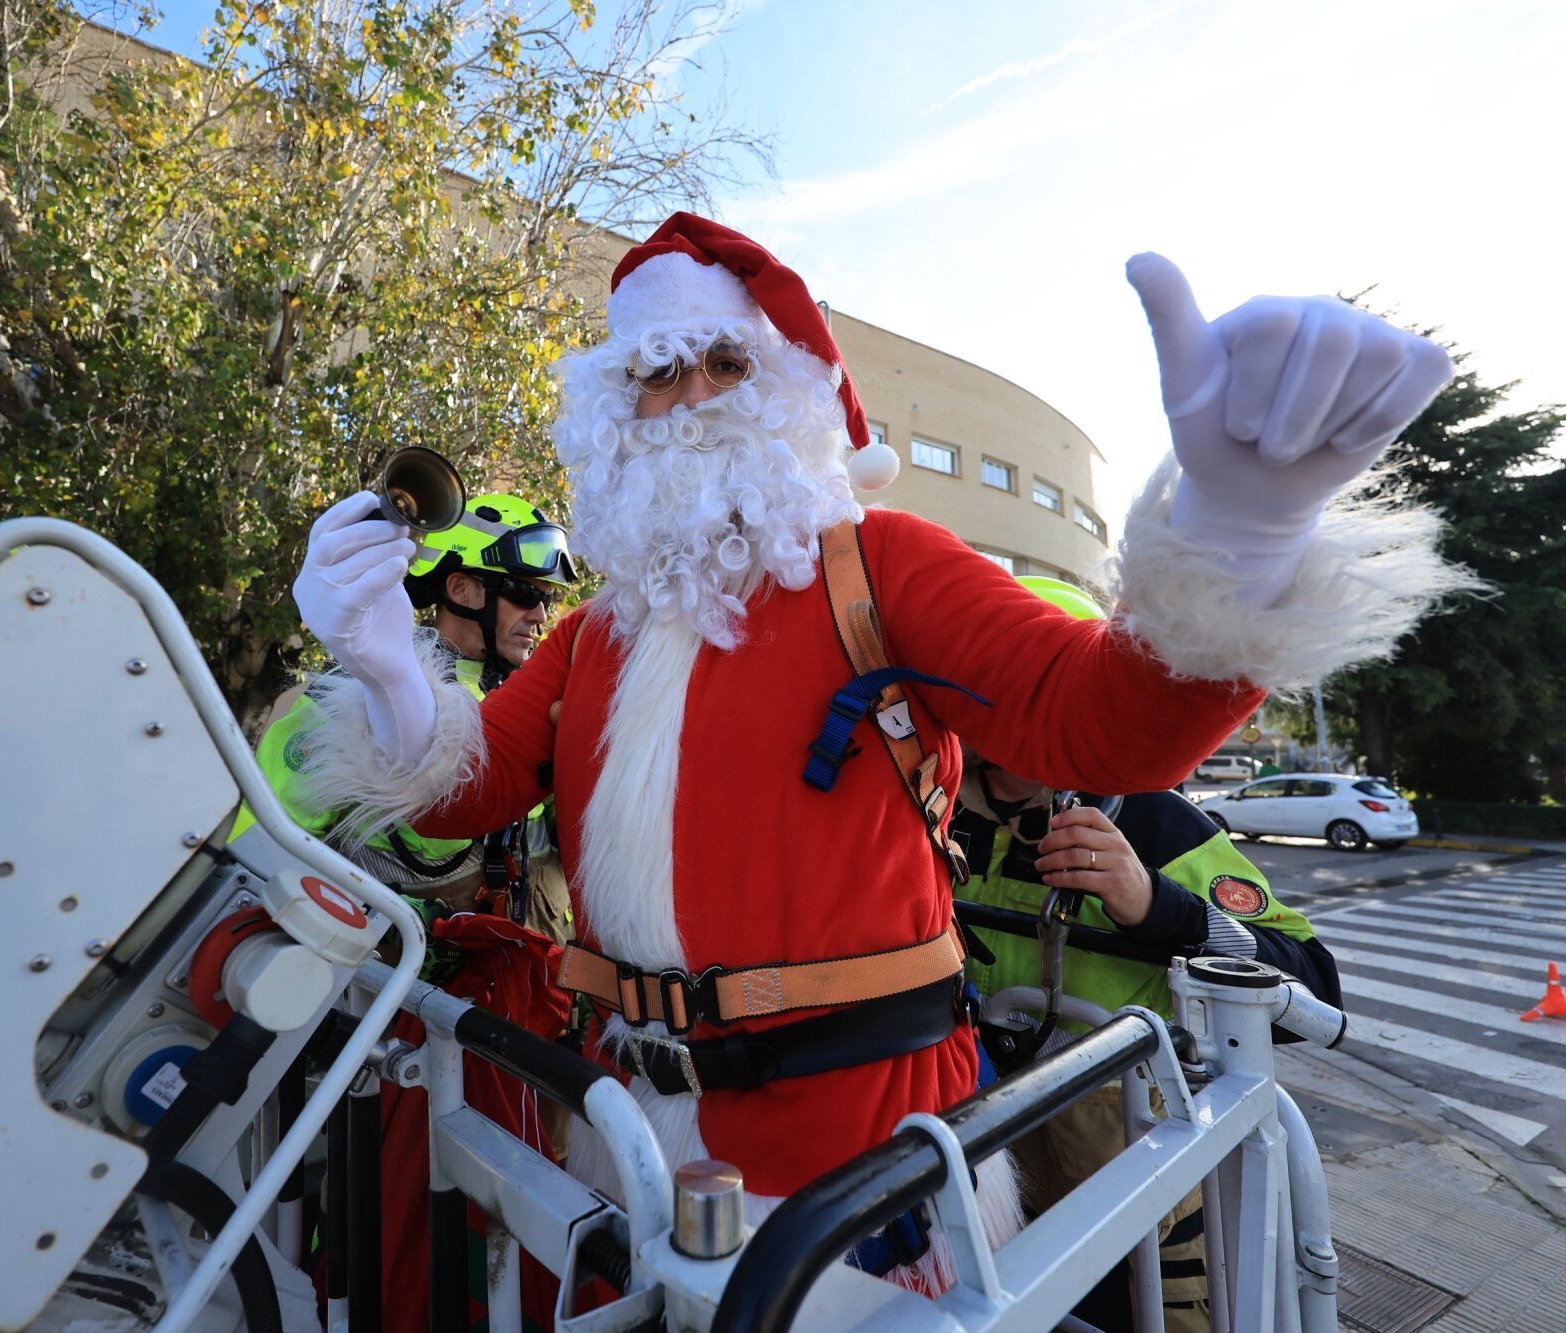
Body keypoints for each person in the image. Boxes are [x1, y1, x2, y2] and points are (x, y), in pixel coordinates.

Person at [289, 212, 1464, 1289]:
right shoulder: (599, 630)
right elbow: (462, 790)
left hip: (857, 1166)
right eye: (656, 373)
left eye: (726, 362)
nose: (691, 398)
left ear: (788, 392)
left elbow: (1101, 721)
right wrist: (390, 668)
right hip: (626, 1148)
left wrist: (1236, 536)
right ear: (616, 410)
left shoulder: (879, 563)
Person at [955, 576, 1342, 1330]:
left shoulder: (1159, 821)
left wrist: (1155, 905)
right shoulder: (935, 815)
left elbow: (1313, 990)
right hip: (986, 1155)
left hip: (1139, 1174)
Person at [249, 491, 577, 939]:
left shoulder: (538, 695)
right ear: (460, 590)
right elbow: (263, 844)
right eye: (524, 593)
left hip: (541, 964)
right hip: (408, 968)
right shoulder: (356, 692)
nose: (540, 615)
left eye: (547, 600)